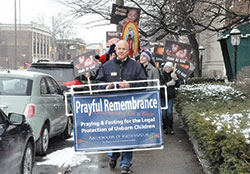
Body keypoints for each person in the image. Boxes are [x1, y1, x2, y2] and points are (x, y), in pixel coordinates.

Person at [96, 40, 147, 174]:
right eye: (119, 49)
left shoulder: (136, 66)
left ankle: (125, 164)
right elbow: (98, 83)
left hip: (130, 108)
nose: (121, 51)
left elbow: (144, 84)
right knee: (114, 134)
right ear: (115, 50)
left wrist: (130, 85)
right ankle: (113, 155)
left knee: (128, 135)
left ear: (128, 50)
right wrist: (105, 87)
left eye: (124, 49)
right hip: (111, 108)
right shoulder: (106, 66)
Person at [160, 62, 180, 135]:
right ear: (164, 68)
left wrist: (176, 79)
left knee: (169, 112)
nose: (167, 69)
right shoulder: (161, 75)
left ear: (171, 68)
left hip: (170, 96)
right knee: (164, 113)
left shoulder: (173, 74)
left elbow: (178, 85)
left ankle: (170, 127)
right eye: (166, 67)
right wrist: (167, 84)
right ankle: (165, 127)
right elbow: (159, 85)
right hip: (162, 96)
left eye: (169, 67)